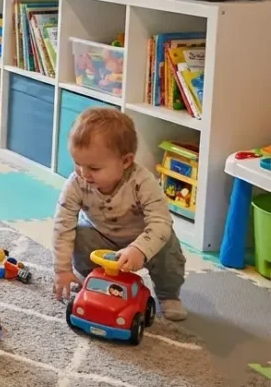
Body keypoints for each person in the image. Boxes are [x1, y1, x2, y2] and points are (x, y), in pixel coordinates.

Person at [52, 108, 187, 320]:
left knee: (167, 242)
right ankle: (94, 281)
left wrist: (140, 249)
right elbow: (62, 225)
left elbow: (161, 222)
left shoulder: (143, 182)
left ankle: (168, 294)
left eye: (94, 168)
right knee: (80, 235)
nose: (83, 173)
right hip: (100, 237)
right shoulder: (76, 183)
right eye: (78, 163)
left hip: (142, 239)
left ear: (125, 162)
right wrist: (62, 270)